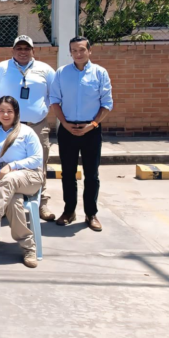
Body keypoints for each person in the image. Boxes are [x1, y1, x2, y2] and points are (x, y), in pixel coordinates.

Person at [0, 96, 44, 268]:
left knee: (10, 179)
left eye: (9, 111)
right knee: (13, 202)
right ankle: (29, 247)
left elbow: (37, 158)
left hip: (29, 176)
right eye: (2, 111)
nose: (5, 114)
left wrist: (12, 166)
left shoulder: (26, 132)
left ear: (16, 113)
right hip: (3, 179)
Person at [49, 37, 113, 232]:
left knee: (91, 175)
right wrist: (65, 125)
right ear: (70, 53)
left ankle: (91, 213)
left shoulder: (100, 73)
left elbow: (107, 104)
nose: (78, 54)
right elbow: (54, 100)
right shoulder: (62, 73)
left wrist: (92, 124)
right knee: (68, 173)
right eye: (74, 50)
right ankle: (69, 211)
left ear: (89, 51)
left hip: (91, 130)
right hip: (67, 130)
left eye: (82, 50)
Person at [0, 35, 57, 221]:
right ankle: (4, 203)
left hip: (36, 126)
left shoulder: (45, 70)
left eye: (26, 48)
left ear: (33, 51)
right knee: (5, 163)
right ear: (13, 51)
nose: (22, 52)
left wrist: (41, 111)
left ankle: (41, 203)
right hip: (7, 128)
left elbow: (54, 96)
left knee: (39, 164)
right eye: (19, 48)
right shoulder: (1, 69)